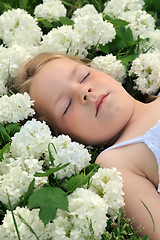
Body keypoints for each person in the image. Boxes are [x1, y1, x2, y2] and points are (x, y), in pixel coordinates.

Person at [17, 52, 160, 239]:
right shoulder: (116, 162)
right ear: (64, 137)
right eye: (66, 106)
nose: (84, 92)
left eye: (84, 76)